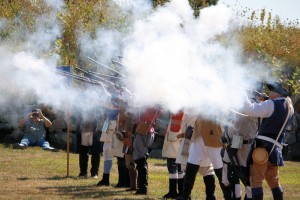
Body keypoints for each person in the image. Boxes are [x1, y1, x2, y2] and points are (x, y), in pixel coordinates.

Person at [242, 81, 294, 200]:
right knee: (273, 180)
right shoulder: (289, 107)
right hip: (275, 148)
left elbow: (249, 109)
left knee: (256, 179)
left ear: (276, 93)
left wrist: (243, 95)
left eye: (271, 91)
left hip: (263, 147)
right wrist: (265, 100)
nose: (269, 93)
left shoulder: (271, 104)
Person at [177, 114, 227, 200]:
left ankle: (228, 196)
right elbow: (189, 120)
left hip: (214, 139)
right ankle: (185, 196)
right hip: (198, 138)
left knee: (221, 172)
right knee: (190, 168)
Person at [221, 111, 257, 200]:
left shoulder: (250, 113)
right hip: (237, 148)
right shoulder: (253, 111)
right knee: (235, 178)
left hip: (243, 149)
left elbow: (236, 130)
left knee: (246, 178)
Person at [133, 107, 160, 195]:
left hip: (143, 130)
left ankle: (143, 188)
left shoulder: (149, 103)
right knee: (141, 159)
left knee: (141, 159)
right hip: (146, 129)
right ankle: (142, 187)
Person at [162, 110, 185, 199]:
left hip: (175, 142)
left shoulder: (178, 113)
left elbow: (176, 131)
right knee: (178, 168)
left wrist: (174, 137)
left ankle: (173, 192)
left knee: (172, 167)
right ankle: (179, 192)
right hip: (177, 142)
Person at [77, 111, 102, 178]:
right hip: (84, 129)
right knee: (83, 153)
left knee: (95, 153)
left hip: (94, 131)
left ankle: (94, 173)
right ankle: (83, 172)